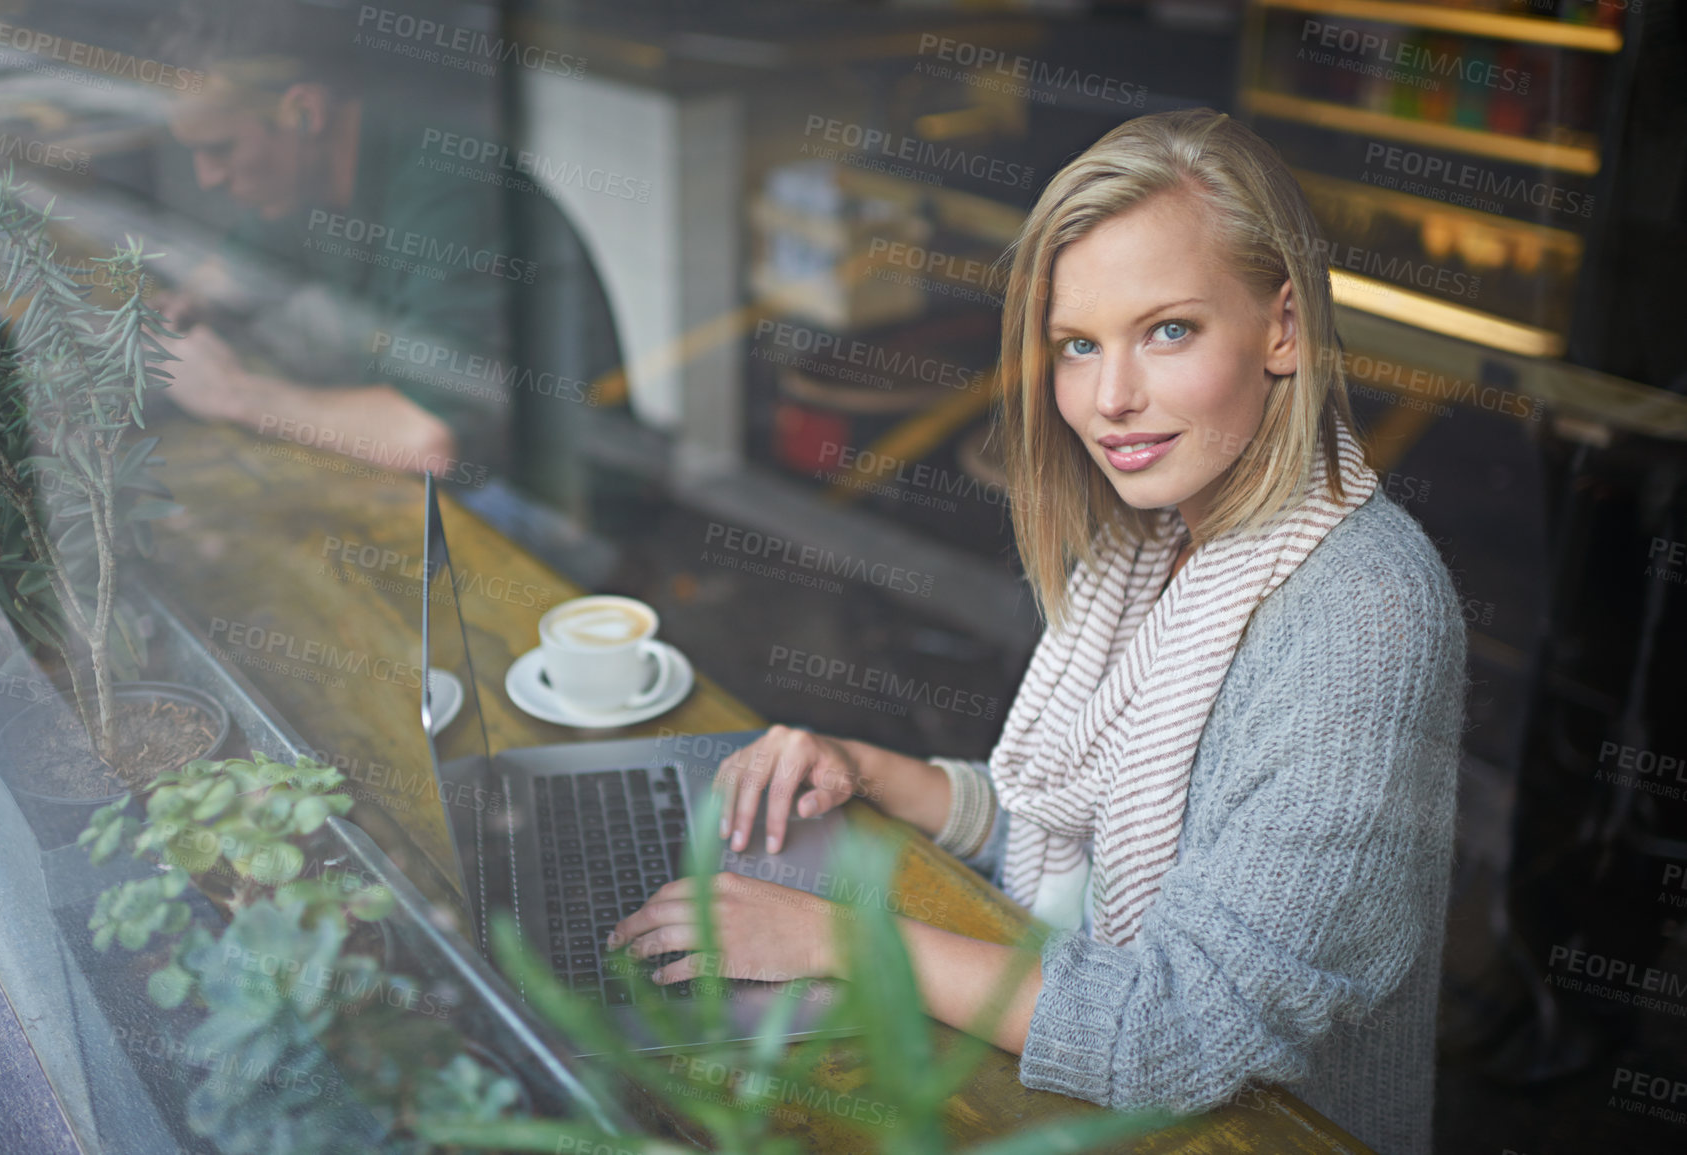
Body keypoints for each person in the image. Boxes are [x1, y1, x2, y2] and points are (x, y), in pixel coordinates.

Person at [609, 108, 1467, 1155]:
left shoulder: (1360, 614)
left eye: (1169, 330)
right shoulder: (1158, 541)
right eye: (1078, 346)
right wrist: (877, 772)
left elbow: (1182, 1029)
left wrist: (831, 937)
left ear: (1283, 328)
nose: (1111, 400)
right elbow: (1074, 835)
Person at [152, 4, 514, 480]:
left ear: (305, 113)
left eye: (221, 149)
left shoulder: (451, 193)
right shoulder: (309, 178)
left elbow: (425, 436)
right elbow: (230, 272)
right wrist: (183, 309)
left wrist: (231, 393)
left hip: (552, 517)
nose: (207, 178)